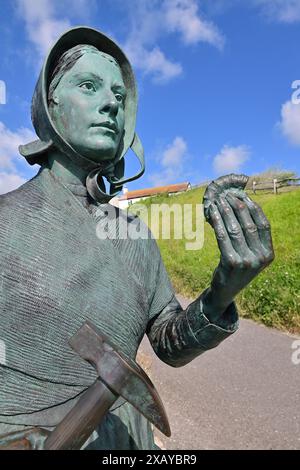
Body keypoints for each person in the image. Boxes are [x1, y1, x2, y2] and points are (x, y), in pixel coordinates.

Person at [0, 26, 274, 450]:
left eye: (119, 96)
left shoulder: (134, 235)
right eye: (89, 86)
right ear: (50, 105)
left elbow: (168, 343)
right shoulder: (5, 221)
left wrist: (223, 289)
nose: (111, 103)